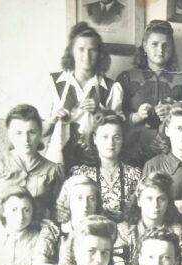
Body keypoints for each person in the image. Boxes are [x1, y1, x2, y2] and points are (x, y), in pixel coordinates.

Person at [42, 22, 122, 170]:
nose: (86, 55)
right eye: (81, 49)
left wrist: (100, 112)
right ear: (71, 51)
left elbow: (118, 133)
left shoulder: (111, 88)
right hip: (57, 163)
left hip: (94, 163)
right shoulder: (55, 83)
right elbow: (42, 132)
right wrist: (53, 119)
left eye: (92, 50)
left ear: (99, 54)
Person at [116, 20, 182, 167]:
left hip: (169, 157)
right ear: (145, 46)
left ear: (172, 48)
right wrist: (136, 116)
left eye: (165, 45)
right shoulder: (127, 78)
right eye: (155, 44)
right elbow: (115, 119)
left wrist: (174, 111)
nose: (160, 49)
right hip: (132, 154)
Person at [0, 105, 63, 224]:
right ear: (10, 135)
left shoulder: (53, 171)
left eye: (32, 132)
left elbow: (56, 212)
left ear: (40, 133)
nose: (26, 139)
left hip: (35, 233)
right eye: (19, 133)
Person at [113, 172, 182, 265]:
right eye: (149, 198)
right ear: (139, 201)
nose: (155, 205)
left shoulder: (178, 232)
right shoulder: (123, 231)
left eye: (161, 199)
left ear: (168, 202)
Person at [70, 111, 140, 222]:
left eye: (116, 137)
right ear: (95, 139)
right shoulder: (81, 174)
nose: (110, 143)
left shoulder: (134, 175)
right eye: (105, 137)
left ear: (122, 140)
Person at [142, 102, 182, 216]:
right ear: (167, 131)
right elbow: (145, 207)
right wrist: (172, 206)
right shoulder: (153, 166)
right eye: (179, 128)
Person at [32, 175, 103, 265]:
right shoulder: (53, 228)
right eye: (79, 198)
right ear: (68, 201)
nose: (85, 205)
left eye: (91, 198)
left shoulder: (104, 228)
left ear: (97, 202)